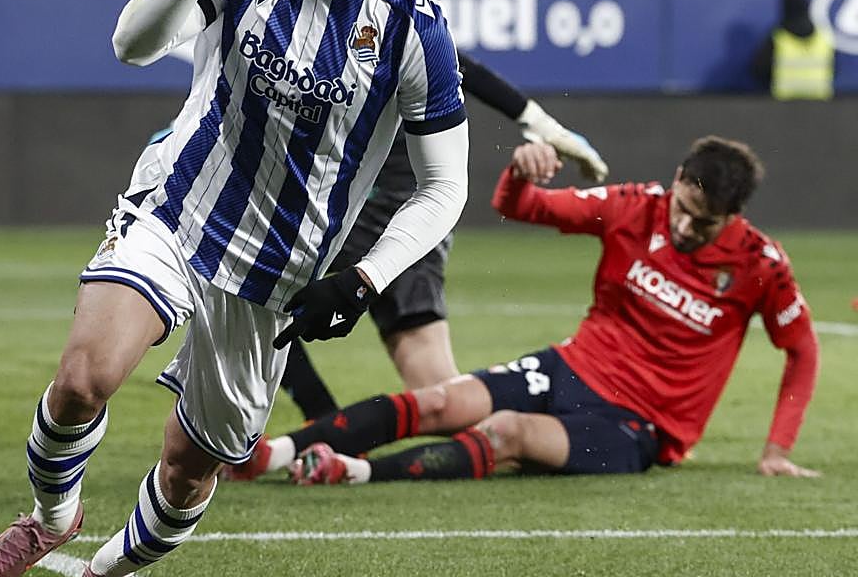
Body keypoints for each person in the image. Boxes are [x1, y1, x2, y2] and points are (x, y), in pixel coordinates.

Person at [0, 0, 470, 577]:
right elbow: (131, 44)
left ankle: (107, 575)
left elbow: (445, 187)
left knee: (191, 468)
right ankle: (50, 518)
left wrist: (365, 279)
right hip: (177, 207)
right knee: (83, 379)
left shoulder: (412, 26)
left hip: (278, 273)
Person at [237, 137, 820, 486]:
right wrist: (519, 171)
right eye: (685, 208)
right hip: (569, 367)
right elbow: (523, 208)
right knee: (441, 399)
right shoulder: (636, 207)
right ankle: (271, 454)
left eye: (705, 221)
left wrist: (777, 449)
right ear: (676, 182)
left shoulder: (760, 263)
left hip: (639, 427)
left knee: (508, 433)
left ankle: (353, 472)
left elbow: (802, 351)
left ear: (735, 216)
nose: (686, 226)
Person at [270, 54, 609, 424]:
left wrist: (548, 129)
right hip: (392, 212)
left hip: (404, 210)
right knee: (257, 293)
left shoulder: (394, 15)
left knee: (445, 399)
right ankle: (321, 421)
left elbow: (460, 67)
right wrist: (546, 127)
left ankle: (559, 425)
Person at [751, 0, 835, 99]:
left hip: (784, 102)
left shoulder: (778, 37)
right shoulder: (824, 36)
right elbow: (834, 67)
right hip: (820, 101)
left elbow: (759, 69)